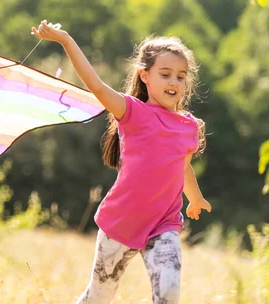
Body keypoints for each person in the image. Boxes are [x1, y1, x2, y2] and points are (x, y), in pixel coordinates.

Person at [31, 20, 212, 304]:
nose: (174, 82)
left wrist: (196, 198)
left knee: (169, 293)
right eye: (165, 74)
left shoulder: (189, 126)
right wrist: (66, 40)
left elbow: (183, 166)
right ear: (145, 76)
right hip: (121, 223)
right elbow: (98, 87)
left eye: (180, 76)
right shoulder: (132, 112)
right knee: (98, 298)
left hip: (163, 224)